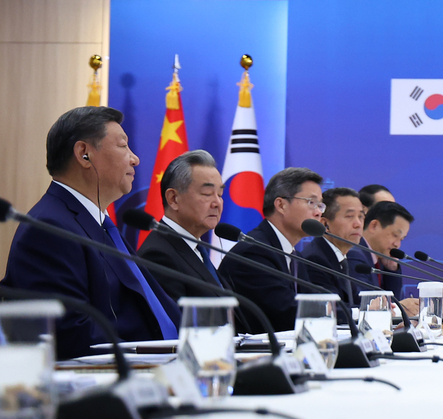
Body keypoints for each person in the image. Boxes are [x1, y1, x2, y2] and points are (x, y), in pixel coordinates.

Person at [1, 106, 179, 359]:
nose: (135, 159)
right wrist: (148, 359)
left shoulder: (97, 223)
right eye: (123, 146)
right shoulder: (49, 229)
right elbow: (70, 333)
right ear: (84, 154)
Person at [219, 167, 325, 334]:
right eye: (311, 202)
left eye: (320, 205)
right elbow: (288, 314)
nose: (318, 213)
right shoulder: (254, 252)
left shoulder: (294, 256)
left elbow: (312, 302)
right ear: (281, 205)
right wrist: (330, 310)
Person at [138, 150, 227, 300]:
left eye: (220, 194)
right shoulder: (158, 256)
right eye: (207, 193)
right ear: (173, 199)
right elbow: (175, 315)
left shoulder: (197, 249)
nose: (217, 203)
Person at [349, 201, 420, 315]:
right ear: (374, 226)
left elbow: (393, 302)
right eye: (395, 235)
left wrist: (392, 270)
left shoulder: (379, 260)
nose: (397, 244)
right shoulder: (355, 256)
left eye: (401, 239)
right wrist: (401, 308)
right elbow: (367, 307)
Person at [298, 187, 364, 306]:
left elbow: (354, 302)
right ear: (325, 224)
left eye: (360, 216)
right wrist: (367, 310)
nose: (358, 224)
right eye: (349, 216)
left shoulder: (340, 257)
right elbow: (332, 309)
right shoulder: (315, 260)